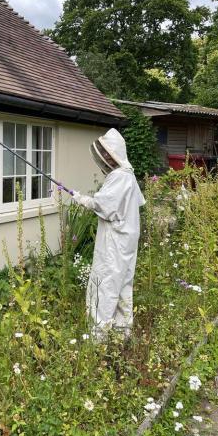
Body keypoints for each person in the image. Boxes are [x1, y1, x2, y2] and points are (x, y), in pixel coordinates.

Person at [72, 128, 145, 341]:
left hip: (116, 240)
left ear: (114, 153)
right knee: (122, 284)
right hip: (126, 240)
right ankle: (122, 332)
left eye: (106, 152)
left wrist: (83, 199)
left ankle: (99, 339)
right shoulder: (128, 176)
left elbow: (104, 206)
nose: (103, 157)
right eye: (102, 152)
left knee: (106, 284)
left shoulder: (120, 177)